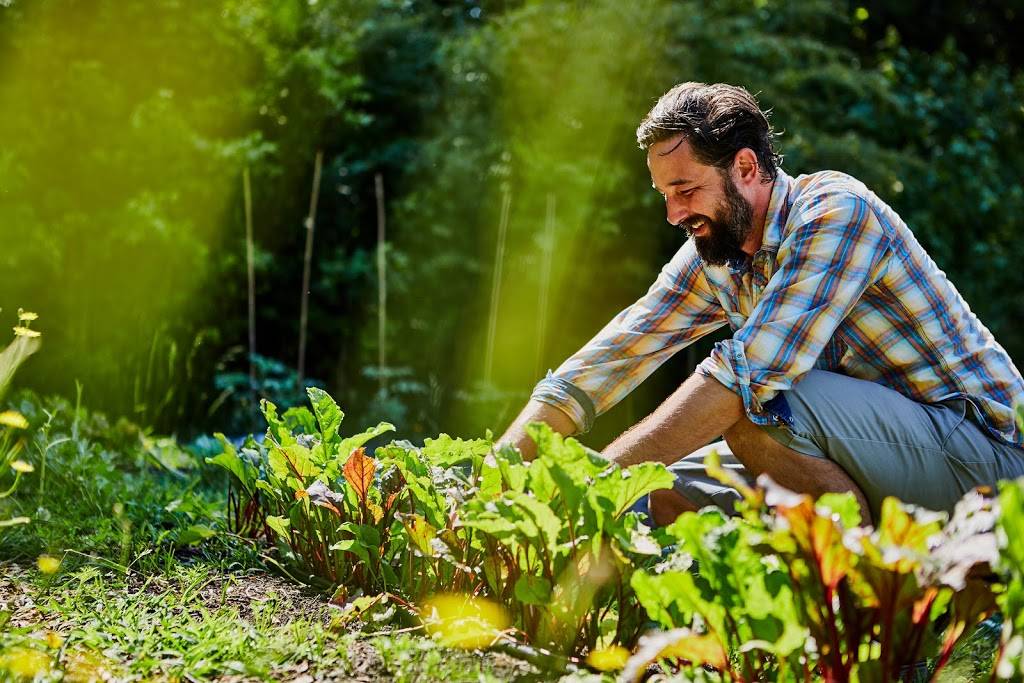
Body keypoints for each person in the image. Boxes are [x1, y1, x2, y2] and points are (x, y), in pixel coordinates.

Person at [497, 81, 1024, 526]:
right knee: (659, 491)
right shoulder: (717, 252)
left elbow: (744, 380)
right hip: (872, 453)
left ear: (745, 167)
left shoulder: (836, 214)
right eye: (664, 195)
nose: (673, 213)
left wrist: (596, 484)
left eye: (685, 189)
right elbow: (617, 352)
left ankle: (866, 619)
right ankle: (739, 638)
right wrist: (500, 468)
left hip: (989, 458)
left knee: (755, 411)